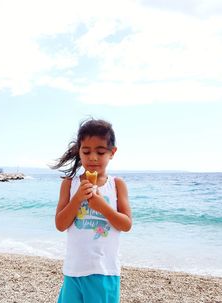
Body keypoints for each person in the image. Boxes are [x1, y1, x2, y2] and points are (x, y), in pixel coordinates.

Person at [53, 118, 132, 303]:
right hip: (73, 270)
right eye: (86, 151)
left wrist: (102, 207)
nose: (93, 157)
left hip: (104, 271)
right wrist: (77, 199)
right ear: (79, 151)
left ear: (112, 152)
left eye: (100, 151)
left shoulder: (117, 185)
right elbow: (60, 224)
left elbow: (126, 224)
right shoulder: (69, 184)